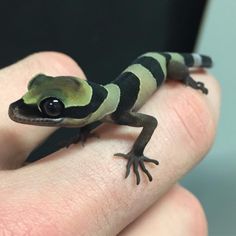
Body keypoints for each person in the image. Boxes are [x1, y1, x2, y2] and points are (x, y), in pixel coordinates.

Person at [0, 52, 220, 235]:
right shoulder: (97, 111)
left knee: (177, 67)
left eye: (52, 108)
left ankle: (188, 72)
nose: (20, 108)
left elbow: (150, 123)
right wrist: (83, 131)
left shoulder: (120, 114)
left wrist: (137, 153)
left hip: (164, 61)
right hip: (139, 67)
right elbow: (87, 118)